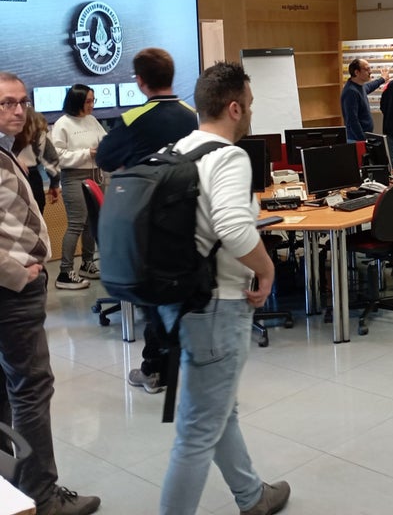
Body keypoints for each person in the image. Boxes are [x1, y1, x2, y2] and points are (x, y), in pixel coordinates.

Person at [157, 62, 290, 515]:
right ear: (234, 108)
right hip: (217, 305)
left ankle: (252, 496)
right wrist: (266, 270)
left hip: (182, 301)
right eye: (249, 104)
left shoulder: (180, 150)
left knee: (216, 409)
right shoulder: (229, 157)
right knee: (197, 431)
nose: (250, 112)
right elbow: (233, 227)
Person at [0, 71, 101, 515]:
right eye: (6, 102)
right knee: (31, 389)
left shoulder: (10, 149)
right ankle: (41, 496)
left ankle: (13, 490)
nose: (18, 110)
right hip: (11, 291)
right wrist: (17, 274)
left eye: (22, 101)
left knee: (8, 390)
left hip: (13, 286)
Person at [96, 48, 198, 395]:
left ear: (140, 81)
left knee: (155, 292)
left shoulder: (133, 118)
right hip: (190, 214)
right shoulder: (192, 115)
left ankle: (155, 369)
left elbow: (105, 158)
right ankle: (184, 363)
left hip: (147, 219)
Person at [51, 85, 107, 291]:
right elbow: (58, 156)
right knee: (76, 223)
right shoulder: (62, 124)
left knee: (92, 222)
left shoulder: (92, 120)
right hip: (73, 177)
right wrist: (87, 153)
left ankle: (87, 264)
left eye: (93, 100)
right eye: (88, 101)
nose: (92, 105)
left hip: (96, 175)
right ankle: (65, 272)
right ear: (77, 102)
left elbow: (104, 140)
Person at [13, 107, 60, 214]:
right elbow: (52, 160)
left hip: (7, 177)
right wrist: (54, 184)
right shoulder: (37, 130)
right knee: (35, 217)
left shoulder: (6, 130)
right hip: (32, 179)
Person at [340, 59, 386, 142]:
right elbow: (352, 120)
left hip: (363, 137)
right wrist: (363, 140)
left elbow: (369, 87)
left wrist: (382, 79)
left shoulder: (358, 87)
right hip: (356, 139)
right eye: (367, 69)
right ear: (356, 72)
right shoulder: (351, 92)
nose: (370, 72)